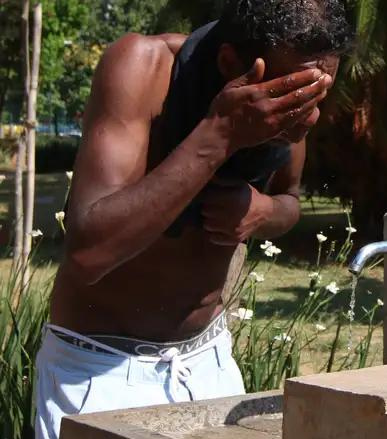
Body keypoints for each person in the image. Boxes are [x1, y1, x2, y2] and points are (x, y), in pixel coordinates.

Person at [34, 1, 350, 438]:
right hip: (99, 370)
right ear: (228, 63)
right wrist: (218, 135)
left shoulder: (288, 104)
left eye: (317, 94)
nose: (308, 115)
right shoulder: (141, 69)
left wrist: (262, 212)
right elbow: (89, 254)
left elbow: (289, 200)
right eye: (293, 95)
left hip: (208, 364)